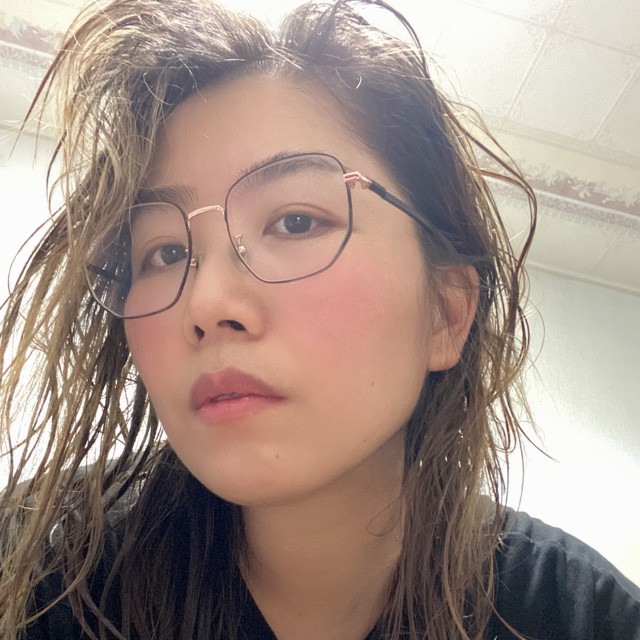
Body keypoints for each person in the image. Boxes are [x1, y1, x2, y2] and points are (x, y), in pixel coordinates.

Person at [0, 0, 638, 638]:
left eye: (296, 221)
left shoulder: (583, 616)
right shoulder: (37, 573)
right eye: (164, 253)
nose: (207, 303)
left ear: (444, 315)